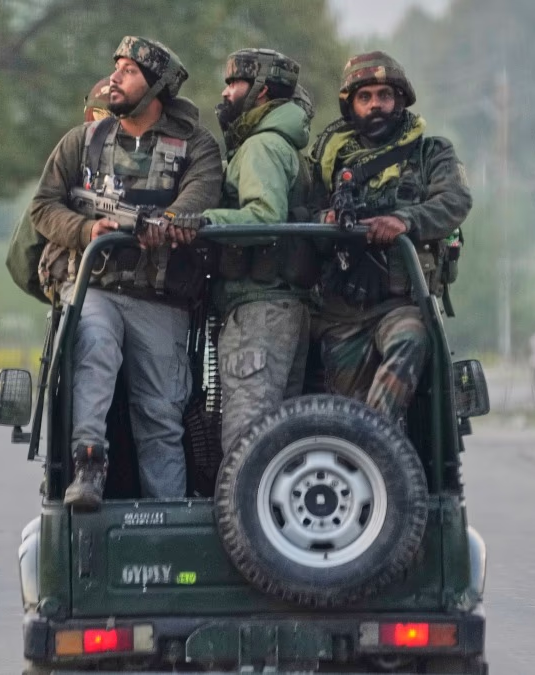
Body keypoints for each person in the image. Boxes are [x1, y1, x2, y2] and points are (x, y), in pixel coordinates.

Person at [29, 36, 223, 510]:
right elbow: (43, 206)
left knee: (160, 414)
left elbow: (200, 195)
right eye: (116, 67)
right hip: (95, 286)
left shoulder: (196, 146)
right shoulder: (83, 141)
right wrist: (87, 229)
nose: (114, 78)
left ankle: (168, 517)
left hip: (161, 298)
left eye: (130, 71)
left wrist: (168, 223)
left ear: (157, 86)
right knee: (93, 349)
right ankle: (88, 464)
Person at [308, 51, 472, 426]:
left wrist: (404, 220)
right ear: (351, 106)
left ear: (400, 100)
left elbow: (455, 201)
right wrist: (324, 221)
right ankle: (364, 442)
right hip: (341, 311)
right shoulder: (329, 160)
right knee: (340, 414)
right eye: (364, 97)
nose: (375, 105)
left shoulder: (431, 152)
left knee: (410, 338)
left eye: (384, 95)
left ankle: (376, 437)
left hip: (401, 304)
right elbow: (300, 213)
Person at [195, 48, 315, 454]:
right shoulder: (284, 145)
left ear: (261, 92)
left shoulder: (261, 147)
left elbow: (265, 217)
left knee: (245, 445)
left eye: (235, 83)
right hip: (283, 307)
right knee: (274, 446)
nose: (226, 92)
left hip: (259, 312)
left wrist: (200, 221)